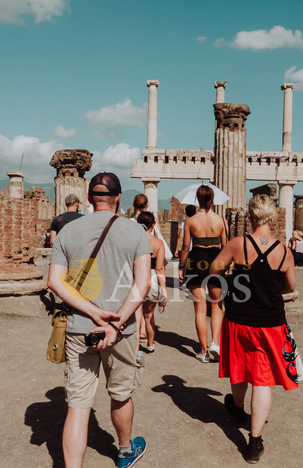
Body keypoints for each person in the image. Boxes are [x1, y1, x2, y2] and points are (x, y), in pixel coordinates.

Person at [47, 172, 152, 468]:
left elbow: (55, 282)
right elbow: (142, 284)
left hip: (80, 328)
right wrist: (114, 324)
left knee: (78, 406)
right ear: (118, 198)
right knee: (120, 395)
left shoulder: (68, 230)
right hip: (122, 330)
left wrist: (92, 312)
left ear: (91, 199)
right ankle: (123, 450)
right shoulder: (135, 232)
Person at [208, 194, 300, 464]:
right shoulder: (283, 251)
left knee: (239, 368)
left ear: (250, 217)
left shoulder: (238, 244)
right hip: (270, 323)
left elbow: (214, 271)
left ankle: (237, 408)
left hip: (238, 318)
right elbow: (290, 287)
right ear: (271, 218)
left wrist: (224, 295)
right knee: (262, 380)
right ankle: (254, 443)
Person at [178, 185, 228, 363]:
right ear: (212, 198)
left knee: (199, 309)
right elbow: (225, 246)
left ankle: (203, 351)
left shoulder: (191, 221)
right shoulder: (221, 220)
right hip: (216, 261)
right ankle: (215, 343)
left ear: (197, 199)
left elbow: (185, 248)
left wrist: (181, 267)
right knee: (216, 306)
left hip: (196, 260)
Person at [137, 211, 167, 353]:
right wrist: (164, 291)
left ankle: (135, 348)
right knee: (149, 316)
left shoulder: (134, 240)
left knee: (136, 317)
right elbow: (160, 268)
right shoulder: (158, 243)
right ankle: (150, 344)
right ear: (153, 224)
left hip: (136, 278)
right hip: (153, 279)